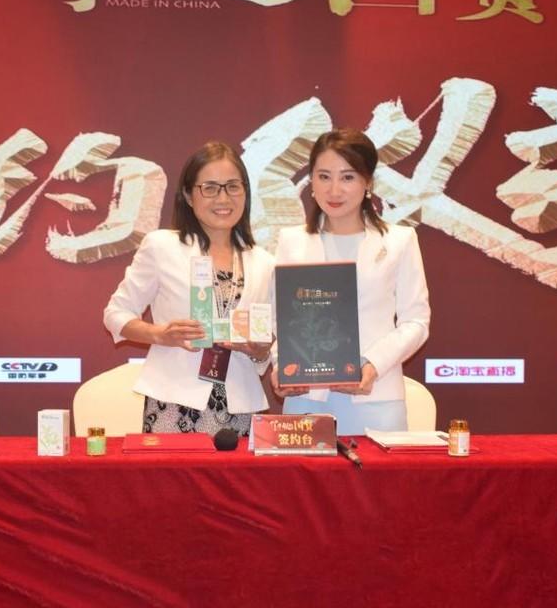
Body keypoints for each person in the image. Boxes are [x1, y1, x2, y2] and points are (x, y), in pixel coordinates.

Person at [104, 140, 274, 435]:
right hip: (173, 403)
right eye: (210, 188)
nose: (223, 198)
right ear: (188, 195)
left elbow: (264, 348)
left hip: (240, 408)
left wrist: (260, 350)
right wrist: (160, 334)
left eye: (233, 187)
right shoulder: (162, 246)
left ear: (245, 193)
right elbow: (115, 314)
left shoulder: (264, 261)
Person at [272, 128, 430, 435]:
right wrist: (283, 366)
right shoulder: (291, 242)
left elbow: (416, 320)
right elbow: (280, 318)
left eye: (347, 177)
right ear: (311, 181)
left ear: (367, 182)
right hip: (306, 399)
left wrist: (373, 364)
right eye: (324, 176)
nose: (334, 190)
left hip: (376, 399)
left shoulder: (399, 240)